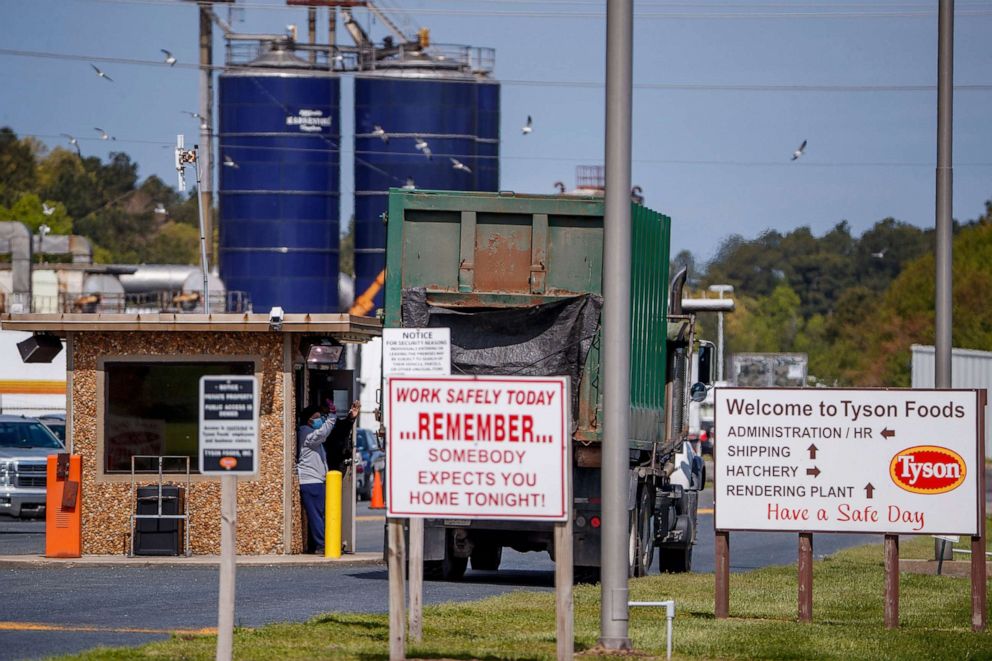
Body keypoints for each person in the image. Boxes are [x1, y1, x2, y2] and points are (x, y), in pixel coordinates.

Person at [297, 400, 360, 554]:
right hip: (311, 480)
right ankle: (321, 545)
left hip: (316, 480)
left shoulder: (307, 433)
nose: (321, 420)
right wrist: (332, 417)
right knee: (317, 516)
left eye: (322, 417)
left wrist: (348, 418)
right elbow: (322, 433)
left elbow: (332, 433)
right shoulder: (307, 433)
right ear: (309, 420)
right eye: (317, 417)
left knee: (321, 514)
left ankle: (325, 542)